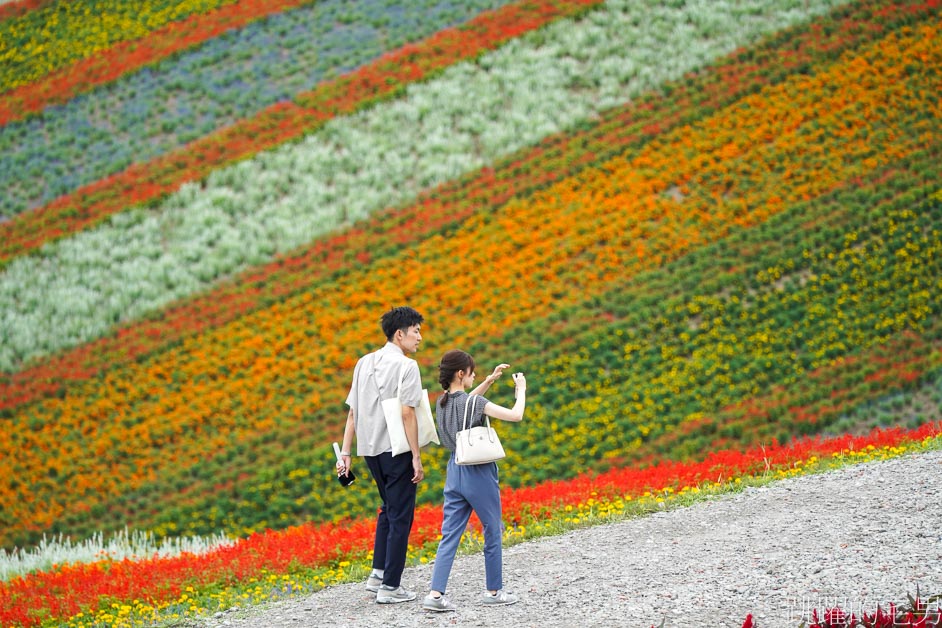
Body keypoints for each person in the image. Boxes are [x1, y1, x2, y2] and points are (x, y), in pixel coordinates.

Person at [422, 349, 527, 612]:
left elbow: (465, 400)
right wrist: (521, 390)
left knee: (450, 535)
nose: (474, 375)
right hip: (478, 471)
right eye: (472, 372)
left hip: (454, 469)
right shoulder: (475, 404)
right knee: (492, 529)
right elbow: (516, 415)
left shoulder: (442, 402)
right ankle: (494, 590)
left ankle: (435, 595)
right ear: (461, 373)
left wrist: (490, 380)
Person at [336, 306, 426, 604]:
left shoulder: (364, 362)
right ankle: (391, 587)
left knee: (388, 508)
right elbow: (407, 413)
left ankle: (378, 575)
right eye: (416, 332)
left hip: (370, 451)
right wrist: (416, 455)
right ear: (399, 334)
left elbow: (353, 412)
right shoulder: (407, 366)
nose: (419, 338)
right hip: (396, 449)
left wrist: (345, 452)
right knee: (401, 516)